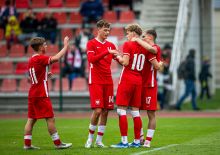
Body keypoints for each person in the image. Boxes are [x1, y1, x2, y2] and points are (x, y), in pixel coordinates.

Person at [110, 25, 162, 148]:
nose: (126, 35)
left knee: (121, 110)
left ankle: (123, 142)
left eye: (128, 33)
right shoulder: (146, 48)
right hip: (139, 80)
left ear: (133, 33)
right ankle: (137, 141)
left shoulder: (128, 44)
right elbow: (154, 52)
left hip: (127, 79)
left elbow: (125, 62)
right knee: (135, 111)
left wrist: (116, 56)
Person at [23, 36, 72, 150]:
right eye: (44, 45)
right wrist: (65, 46)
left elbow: (33, 77)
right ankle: (58, 143)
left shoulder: (31, 59)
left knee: (31, 119)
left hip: (33, 93)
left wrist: (45, 76)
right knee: (50, 118)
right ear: (40, 47)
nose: (46, 46)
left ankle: (27, 144)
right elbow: (56, 58)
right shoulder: (40, 58)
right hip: (41, 94)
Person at [84, 20, 118, 148]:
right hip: (96, 81)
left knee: (105, 111)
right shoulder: (91, 43)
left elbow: (118, 59)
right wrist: (107, 52)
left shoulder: (111, 45)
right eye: (105, 30)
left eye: (108, 30)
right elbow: (91, 59)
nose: (107, 33)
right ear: (98, 29)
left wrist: (123, 58)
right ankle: (89, 139)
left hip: (108, 81)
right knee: (97, 111)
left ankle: (99, 141)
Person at [132, 29, 163, 148]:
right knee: (136, 111)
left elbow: (156, 65)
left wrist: (159, 65)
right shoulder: (143, 48)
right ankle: (139, 138)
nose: (142, 37)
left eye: (144, 36)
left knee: (151, 113)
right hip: (139, 83)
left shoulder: (154, 48)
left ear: (150, 37)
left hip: (149, 85)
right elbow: (159, 65)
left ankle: (147, 141)